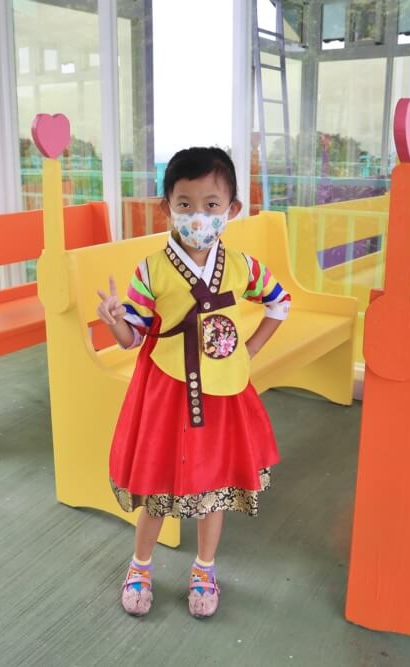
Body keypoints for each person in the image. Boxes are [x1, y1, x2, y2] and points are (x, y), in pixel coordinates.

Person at [95, 147, 290, 619]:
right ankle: (140, 565)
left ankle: (205, 567)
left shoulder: (241, 264)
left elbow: (279, 302)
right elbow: (131, 337)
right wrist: (115, 321)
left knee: (213, 486)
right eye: (184, 204)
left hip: (224, 393)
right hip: (167, 391)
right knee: (160, 484)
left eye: (210, 204)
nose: (197, 215)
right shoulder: (151, 269)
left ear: (232, 210)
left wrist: (251, 349)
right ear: (166, 207)